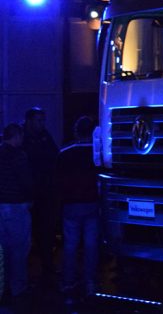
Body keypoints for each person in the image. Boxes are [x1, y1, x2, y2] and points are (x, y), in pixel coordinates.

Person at [56, 116, 100, 298]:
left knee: (70, 244)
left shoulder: (64, 152)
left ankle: (68, 281)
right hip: (92, 203)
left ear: (76, 131)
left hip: (70, 204)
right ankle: (90, 282)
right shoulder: (97, 153)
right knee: (91, 245)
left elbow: (58, 179)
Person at [21, 107, 58, 280]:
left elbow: (55, 156)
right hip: (29, 194)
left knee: (46, 231)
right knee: (27, 234)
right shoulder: (22, 137)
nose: (42, 124)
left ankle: (46, 267)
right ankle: (25, 273)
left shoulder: (44, 135)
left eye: (43, 120)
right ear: (29, 121)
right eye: (39, 120)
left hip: (45, 192)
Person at [0, 123, 32, 305]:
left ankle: (3, 286)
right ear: (16, 136)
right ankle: (17, 287)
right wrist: (31, 197)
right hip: (16, 206)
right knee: (19, 249)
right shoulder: (19, 155)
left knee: (2, 249)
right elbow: (25, 181)